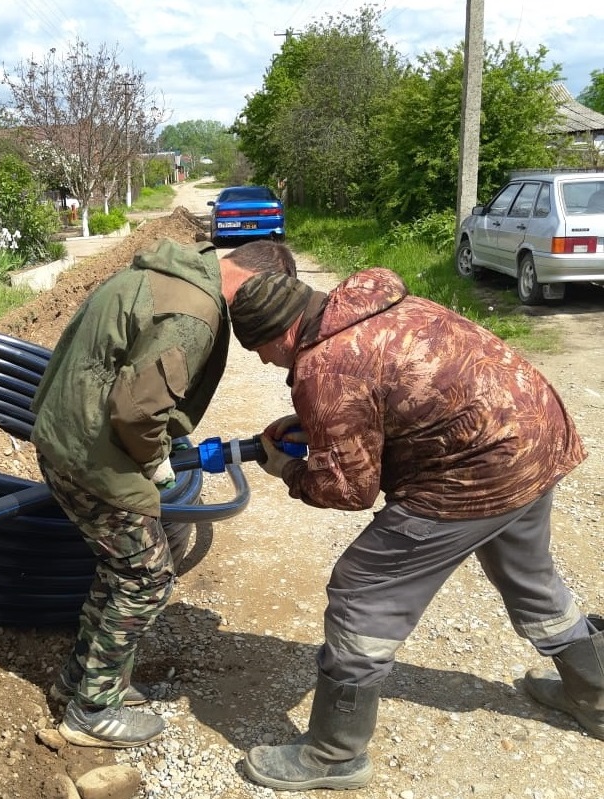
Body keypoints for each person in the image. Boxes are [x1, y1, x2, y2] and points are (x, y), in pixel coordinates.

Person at [226, 266, 603, 791]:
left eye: (261, 350)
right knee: (530, 578)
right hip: (534, 436)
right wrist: (321, 426)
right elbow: (394, 394)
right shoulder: (372, 307)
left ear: (280, 332)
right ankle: (597, 695)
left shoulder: (327, 364)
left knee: (362, 591)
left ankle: (335, 754)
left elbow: (349, 490)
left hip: (474, 471)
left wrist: (286, 469)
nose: (266, 362)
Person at [30, 236, 296, 749]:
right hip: (95, 456)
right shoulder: (196, 312)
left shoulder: (160, 274)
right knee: (146, 577)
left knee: (121, 569)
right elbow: (136, 411)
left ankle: (81, 681)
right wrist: (152, 460)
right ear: (254, 280)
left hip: (67, 437)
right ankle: (93, 710)